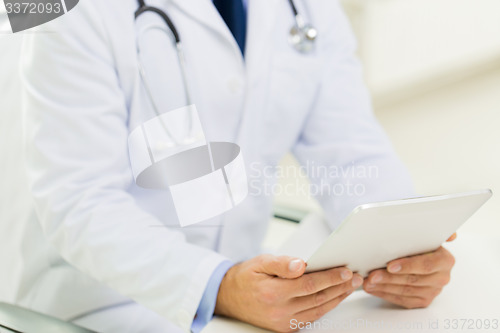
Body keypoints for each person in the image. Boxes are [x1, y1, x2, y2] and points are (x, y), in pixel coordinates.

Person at [0, 0, 455, 332]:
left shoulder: (307, 9)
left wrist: (402, 247)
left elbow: (351, 152)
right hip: (94, 307)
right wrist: (218, 286)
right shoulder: (67, 10)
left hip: (251, 301)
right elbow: (79, 203)